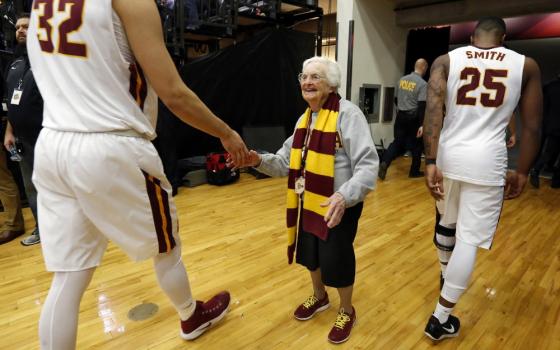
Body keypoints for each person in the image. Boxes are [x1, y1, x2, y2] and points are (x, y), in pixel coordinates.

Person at [27, 0, 249, 348]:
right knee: (166, 245)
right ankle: (190, 315)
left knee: (69, 278)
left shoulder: (41, 4)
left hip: (53, 142)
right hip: (109, 144)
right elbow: (174, 93)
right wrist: (225, 132)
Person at [422, 17, 542, 341]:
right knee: (468, 240)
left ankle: (446, 276)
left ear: (472, 36)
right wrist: (522, 171)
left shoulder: (447, 60)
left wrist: (430, 159)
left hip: (449, 155)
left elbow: (433, 107)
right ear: (504, 37)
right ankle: (440, 317)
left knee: (446, 222)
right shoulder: (525, 65)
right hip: (487, 161)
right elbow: (531, 126)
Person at [244, 56, 379, 344]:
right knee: (311, 255)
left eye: (315, 77)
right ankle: (320, 297)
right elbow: (284, 163)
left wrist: (344, 196)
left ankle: (346, 309)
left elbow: (368, 166)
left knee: (338, 258)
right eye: (304, 77)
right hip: (307, 201)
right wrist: (256, 160)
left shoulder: (348, 114)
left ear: (330, 84)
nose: (307, 82)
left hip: (339, 205)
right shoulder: (303, 119)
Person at [4, 13, 41, 246]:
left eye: (26, 27)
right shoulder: (15, 64)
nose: (20, 30)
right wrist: (9, 131)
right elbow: (12, 101)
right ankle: (42, 229)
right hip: (22, 138)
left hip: (46, 135)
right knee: (31, 187)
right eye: (18, 27)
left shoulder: (49, 61)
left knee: (55, 185)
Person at [378, 58, 428, 180]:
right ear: (424, 68)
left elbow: (395, 99)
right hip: (414, 118)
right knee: (417, 145)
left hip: (401, 117)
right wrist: (422, 124)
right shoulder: (422, 84)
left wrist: (402, 108)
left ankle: (385, 162)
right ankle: (414, 171)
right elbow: (422, 106)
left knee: (397, 142)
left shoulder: (401, 80)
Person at [529, 74, 560, 188]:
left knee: (548, 152)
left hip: (551, 124)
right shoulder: (550, 87)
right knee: (550, 152)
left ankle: (536, 170)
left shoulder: (549, 87)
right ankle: (556, 181)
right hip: (555, 125)